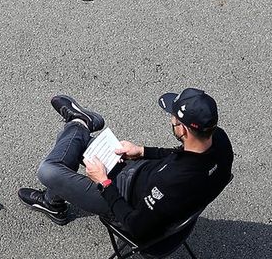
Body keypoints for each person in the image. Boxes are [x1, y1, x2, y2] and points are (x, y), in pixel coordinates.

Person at [18, 88, 233, 243]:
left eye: (173, 118)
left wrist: (104, 183)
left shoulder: (171, 182)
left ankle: (79, 123)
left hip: (123, 200)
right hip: (141, 177)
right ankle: (78, 128)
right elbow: (180, 155)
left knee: (48, 170)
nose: (171, 120)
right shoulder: (219, 141)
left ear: (184, 130)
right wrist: (142, 151)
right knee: (77, 146)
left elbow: (136, 227)